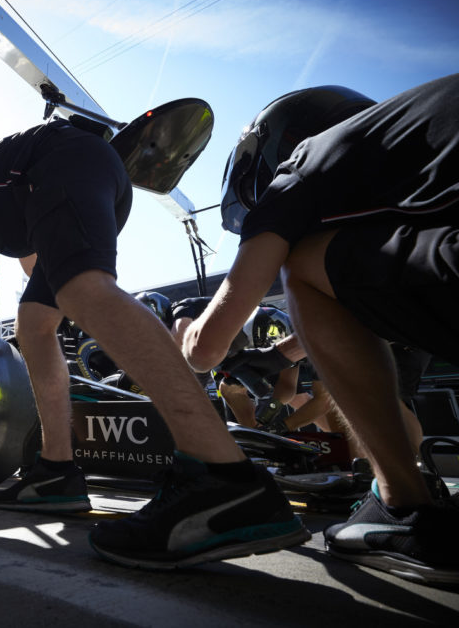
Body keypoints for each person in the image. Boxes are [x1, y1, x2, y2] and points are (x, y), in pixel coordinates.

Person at [0, 119, 308, 567]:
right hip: (97, 178)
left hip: (65, 163)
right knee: (34, 322)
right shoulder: (0, 200)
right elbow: (38, 266)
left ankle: (224, 476)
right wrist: (69, 296)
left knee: (83, 288)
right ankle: (56, 472)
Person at [170, 75, 459, 584]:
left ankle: (404, 507)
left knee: (299, 262)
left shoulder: (306, 161)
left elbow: (205, 350)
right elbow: (357, 294)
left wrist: (185, 327)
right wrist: (282, 355)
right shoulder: (413, 145)